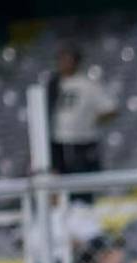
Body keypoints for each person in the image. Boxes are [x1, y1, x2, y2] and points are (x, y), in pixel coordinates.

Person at [48, 45, 117, 176]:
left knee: (84, 180)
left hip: (83, 142)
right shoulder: (53, 85)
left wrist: (90, 122)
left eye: (67, 59)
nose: (63, 63)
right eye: (61, 59)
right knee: (59, 182)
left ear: (76, 61)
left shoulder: (88, 84)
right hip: (58, 142)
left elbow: (110, 109)